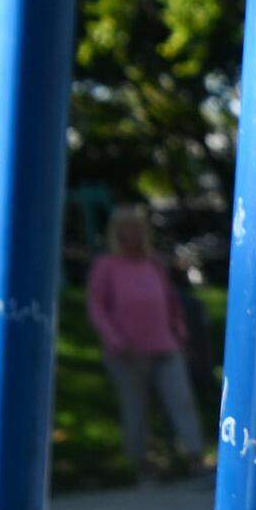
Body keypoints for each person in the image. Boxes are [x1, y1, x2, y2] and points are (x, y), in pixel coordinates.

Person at [85, 207, 206, 484]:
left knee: (182, 401)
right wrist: (114, 339)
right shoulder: (107, 266)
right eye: (127, 227)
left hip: (165, 344)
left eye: (138, 227)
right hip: (127, 350)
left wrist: (180, 333)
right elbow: (97, 307)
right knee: (136, 410)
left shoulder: (153, 264)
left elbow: (171, 301)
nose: (134, 233)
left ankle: (196, 459)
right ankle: (142, 467)